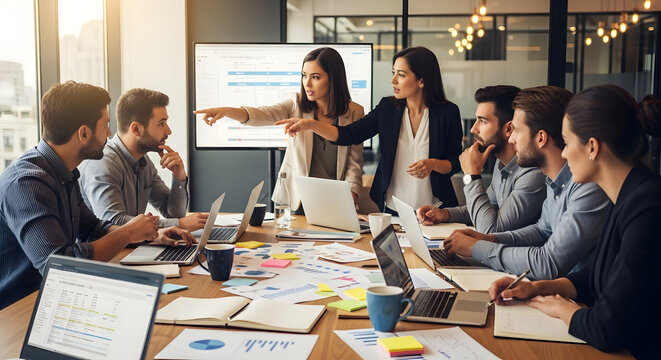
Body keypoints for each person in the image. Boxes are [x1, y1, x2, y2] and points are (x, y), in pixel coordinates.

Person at [488, 85, 661, 358]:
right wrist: (537, 288)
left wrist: (561, 308)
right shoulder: (628, 196)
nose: (564, 155)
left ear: (592, 147)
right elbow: (596, 277)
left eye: (567, 143)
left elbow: (606, 327)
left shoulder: (647, 209)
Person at [0, 81, 193, 310]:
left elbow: (93, 228)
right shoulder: (27, 183)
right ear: (83, 133)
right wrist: (129, 231)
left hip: (57, 297)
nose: (110, 133)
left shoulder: (64, 172)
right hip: (19, 308)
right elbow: (61, 263)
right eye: (106, 125)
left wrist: (149, 233)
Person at [443, 86, 610, 280]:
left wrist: (479, 248)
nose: (511, 139)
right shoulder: (553, 179)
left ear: (540, 138)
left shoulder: (587, 186)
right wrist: (489, 240)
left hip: (576, 298)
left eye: (517, 131)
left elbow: (549, 263)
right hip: (556, 289)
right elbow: (542, 230)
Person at [276, 46, 463, 214]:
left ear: (421, 80)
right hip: (393, 208)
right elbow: (350, 134)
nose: (393, 80)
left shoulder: (447, 113)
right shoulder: (388, 108)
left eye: (401, 75)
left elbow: (455, 162)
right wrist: (311, 124)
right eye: (393, 73)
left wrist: (433, 164)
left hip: (435, 209)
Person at [194, 47, 364, 213]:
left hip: (334, 202)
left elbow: (354, 163)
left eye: (316, 77)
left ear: (333, 79)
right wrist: (227, 111)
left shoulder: (355, 112)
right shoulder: (296, 103)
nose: (307, 83)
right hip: (297, 200)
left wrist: (350, 201)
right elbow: (262, 114)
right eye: (304, 76)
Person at [417, 85, 546, 233]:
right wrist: (444, 214)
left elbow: (491, 230)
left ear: (509, 129)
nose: (473, 129)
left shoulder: (532, 173)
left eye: (483, 121)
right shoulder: (501, 163)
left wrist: (471, 175)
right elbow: (484, 210)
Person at [79, 88, 207, 231]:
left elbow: (173, 213)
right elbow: (113, 222)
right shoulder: (103, 163)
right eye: (161, 123)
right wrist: (179, 224)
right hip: (111, 253)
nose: (168, 131)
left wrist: (179, 176)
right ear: (136, 129)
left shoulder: (143, 161)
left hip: (131, 248)